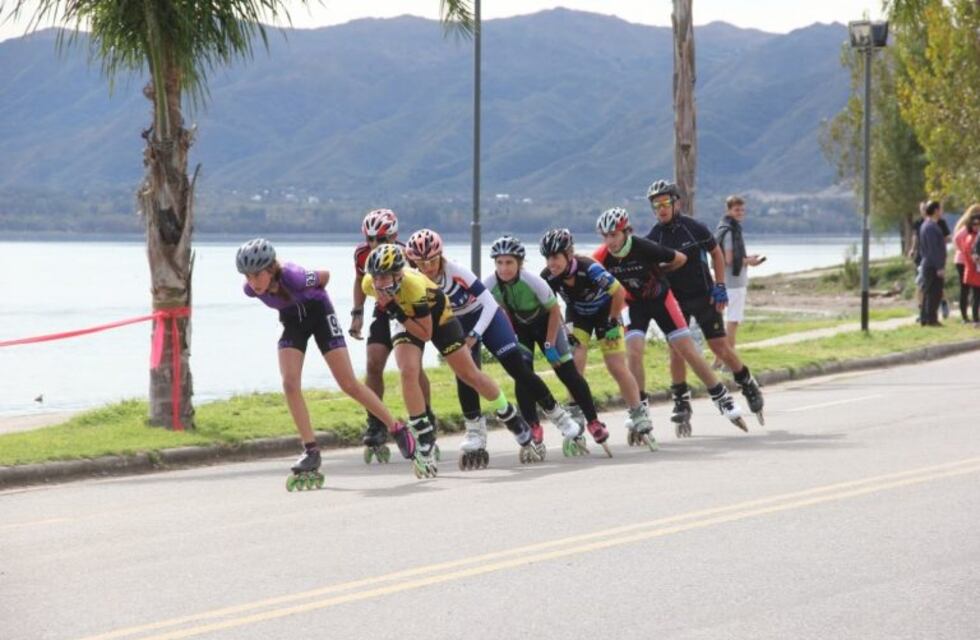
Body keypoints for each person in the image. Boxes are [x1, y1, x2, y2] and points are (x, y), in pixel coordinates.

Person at [236, 238, 408, 490]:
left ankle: (396, 428)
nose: (252, 282)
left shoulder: (293, 276)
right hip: (293, 321)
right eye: (247, 277)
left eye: (256, 275)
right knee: (289, 383)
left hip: (319, 313)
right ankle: (311, 450)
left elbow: (325, 277)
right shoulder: (250, 289)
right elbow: (273, 298)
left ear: (271, 269)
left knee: (348, 383)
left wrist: (352, 314)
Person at [362, 244, 545, 475]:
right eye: (375, 277)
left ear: (398, 273)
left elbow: (425, 334)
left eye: (384, 277)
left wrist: (394, 309)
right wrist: (383, 311)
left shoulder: (414, 286)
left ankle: (509, 414)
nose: (378, 283)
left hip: (436, 315)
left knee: (469, 375)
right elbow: (387, 307)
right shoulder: (368, 283)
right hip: (404, 315)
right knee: (408, 371)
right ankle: (424, 435)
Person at [405, 229, 583, 465]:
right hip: (456, 324)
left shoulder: (456, 271)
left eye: (432, 260)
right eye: (421, 263)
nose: (427, 267)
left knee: (518, 369)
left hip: (487, 318)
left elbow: (488, 303)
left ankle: (558, 416)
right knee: (465, 374)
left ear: (441, 255)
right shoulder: (415, 280)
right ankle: (475, 432)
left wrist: (475, 335)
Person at [593, 207, 746, 437]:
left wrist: (659, 274)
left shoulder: (644, 247)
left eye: (614, 235)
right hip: (634, 305)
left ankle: (721, 396)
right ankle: (639, 407)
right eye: (605, 236)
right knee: (633, 351)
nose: (610, 241)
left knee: (686, 349)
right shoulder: (603, 256)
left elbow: (681, 258)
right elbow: (586, 268)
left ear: (626, 231)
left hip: (661, 300)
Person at [645, 179, 765, 425]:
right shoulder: (654, 237)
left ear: (676, 202)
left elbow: (717, 253)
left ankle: (746, 382)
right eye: (656, 205)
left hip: (704, 295)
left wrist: (720, 285)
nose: (661, 209)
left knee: (719, 347)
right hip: (675, 300)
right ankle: (681, 399)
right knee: (676, 349)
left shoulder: (693, 227)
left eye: (665, 202)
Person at [483, 235, 611, 456]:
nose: (504, 268)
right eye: (499, 263)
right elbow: (493, 310)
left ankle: (593, 421)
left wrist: (550, 342)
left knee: (566, 372)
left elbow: (554, 311)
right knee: (522, 374)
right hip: (521, 328)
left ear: (519, 263)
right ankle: (533, 424)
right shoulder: (490, 284)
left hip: (546, 324)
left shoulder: (533, 281)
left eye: (509, 263)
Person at [539, 228, 658, 451]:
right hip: (578, 316)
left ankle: (638, 413)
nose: (551, 263)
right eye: (547, 258)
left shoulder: (589, 268)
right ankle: (577, 413)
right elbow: (551, 309)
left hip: (606, 313)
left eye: (555, 257)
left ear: (569, 254)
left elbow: (619, 292)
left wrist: (613, 319)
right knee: (575, 364)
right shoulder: (548, 277)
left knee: (615, 366)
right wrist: (560, 333)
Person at [349, 209, 435, 463]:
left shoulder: (407, 254)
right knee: (373, 364)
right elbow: (359, 281)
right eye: (370, 239)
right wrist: (357, 313)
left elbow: (425, 285)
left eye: (380, 239)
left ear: (394, 236)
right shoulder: (362, 254)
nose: (374, 244)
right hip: (383, 311)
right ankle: (375, 423)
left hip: (408, 313)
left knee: (412, 369)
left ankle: (427, 418)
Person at [715, 196, 766, 356]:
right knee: (733, 321)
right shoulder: (731, 231)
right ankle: (729, 358)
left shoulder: (723, 228)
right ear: (729, 210)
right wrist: (749, 261)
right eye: (737, 210)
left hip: (724, 280)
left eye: (742, 210)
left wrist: (746, 258)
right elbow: (729, 260)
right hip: (735, 283)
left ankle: (719, 360)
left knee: (724, 322)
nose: (740, 213)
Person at [918, 200, 948, 327]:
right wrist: (939, 267)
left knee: (928, 291)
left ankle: (925, 318)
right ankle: (931, 319)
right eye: (940, 209)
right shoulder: (930, 227)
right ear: (935, 210)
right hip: (932, 265)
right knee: (934, 293)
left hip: (929, 263)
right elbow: (933, 249)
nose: (942, 211)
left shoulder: (927, 225)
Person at [952, 205, 980, 322]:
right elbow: (957, 240)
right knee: (968, 289)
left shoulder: (965, 227)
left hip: (965, 260)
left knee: (969, 290)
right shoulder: (966, 230)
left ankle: (968, 315)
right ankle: (967, 316)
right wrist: (964, 252)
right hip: (965, 261)